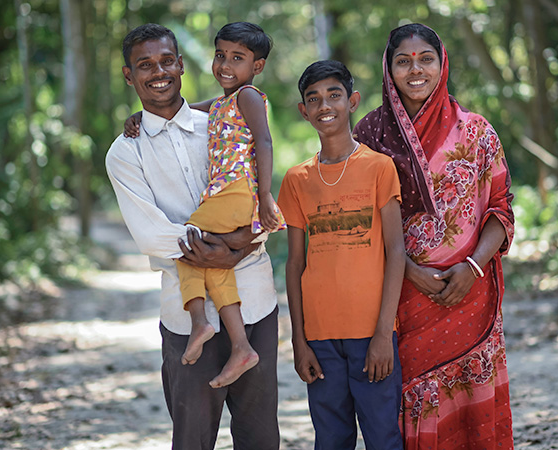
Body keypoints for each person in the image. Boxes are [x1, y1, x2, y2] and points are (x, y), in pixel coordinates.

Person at [105, 23, 279, 450]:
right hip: (187, 318)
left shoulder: (223, 120)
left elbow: (255, 195)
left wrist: (241, 244)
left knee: (260, 438)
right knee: (193, 439)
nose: (158, 72)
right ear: (129, 76)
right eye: (144, 65)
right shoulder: (126, 152)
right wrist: (227, 246)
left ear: (181, 64)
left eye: (167, 61)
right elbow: (151, 236)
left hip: (255, 301)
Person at [352, 23, 515, 450]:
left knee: (472, 399)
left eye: (426, 59)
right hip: (403, 297)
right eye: (403, 61)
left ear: (442, 64)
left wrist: (473, 266)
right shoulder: (369, 137)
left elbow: (500, 208)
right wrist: (409, 272)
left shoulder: (477, 131)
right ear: (389, 70)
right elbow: (362, 225)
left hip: (471, 291)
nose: (415, 70)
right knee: (417, 400)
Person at [279, 60, 405, 450]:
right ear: (304, 111)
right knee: (331, 438)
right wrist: (299, 341)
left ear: (352, 101)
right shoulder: (297, 179)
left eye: (334, 95)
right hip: (320, 338)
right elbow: (295, 264)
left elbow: (396, 250)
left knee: (383, 436)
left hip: (373, 334)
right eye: (313, 99)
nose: (324, 105)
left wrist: (384, 332)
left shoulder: (379, 168)